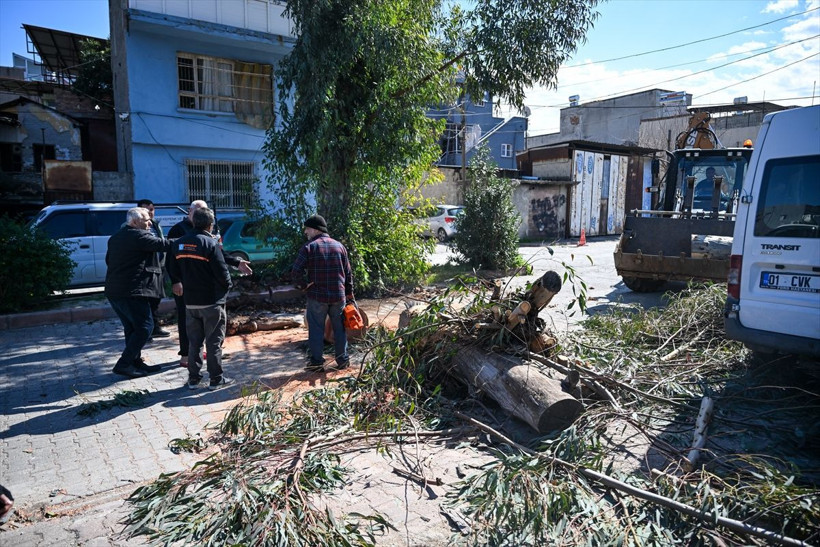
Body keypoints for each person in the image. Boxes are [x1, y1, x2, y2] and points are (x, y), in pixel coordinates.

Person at [167, 201, 252, 368]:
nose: (201, 214)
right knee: (188, 323)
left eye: (204, 211)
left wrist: (236, 262)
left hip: (207, 289)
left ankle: (198, 366)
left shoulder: (211, 232)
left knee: (208, 329)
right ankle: (187, 355)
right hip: (186, 287)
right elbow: (171, 261)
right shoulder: (177, 231)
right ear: (189, 212)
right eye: (198, 211)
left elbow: (219, 254)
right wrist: (176, 281)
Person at [105, 207, 177, 378]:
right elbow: (164, 245)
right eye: (146, 220)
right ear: (135, 222)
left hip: (114, 291)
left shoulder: (116, 237)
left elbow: (109, 260)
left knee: (131, 328)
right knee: (145, 327)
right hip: (131, 291)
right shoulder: (139, 236)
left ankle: (135, 362)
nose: (150, 223)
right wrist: (191, 239)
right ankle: (123, 364)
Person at [169, 207, 232, 390]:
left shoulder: (179, 244)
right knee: (214, 342)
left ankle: (193, 379)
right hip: (211, 302)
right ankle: (216, 379)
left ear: (194, 221)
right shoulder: (210, 244)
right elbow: (223, 274)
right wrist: (225, 291)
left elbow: (173, 270)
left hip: (190, 302)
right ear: (210, 225)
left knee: (194, 342)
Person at [291, 214, 355, 372]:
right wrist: (349, 294)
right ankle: (343, 361)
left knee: (316, 329)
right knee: (339, 329)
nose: (306, 232)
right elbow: (348, 273)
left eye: (307, 229)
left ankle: (317, 362)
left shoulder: (309, 247)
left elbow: (295, 272)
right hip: (338, 296)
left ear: (314, 229)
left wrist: (304, 286)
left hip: (317, 296)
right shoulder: (339, 246)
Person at [136, 198, 171, 339]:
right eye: (146, 210)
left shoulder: (156, 224)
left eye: (152, 209)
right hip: (145, 270)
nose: (150, 213)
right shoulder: (133, 226)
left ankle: (155, 327)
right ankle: (145, 331)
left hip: (159, 268)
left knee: (156, 300)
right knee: (144, 303)